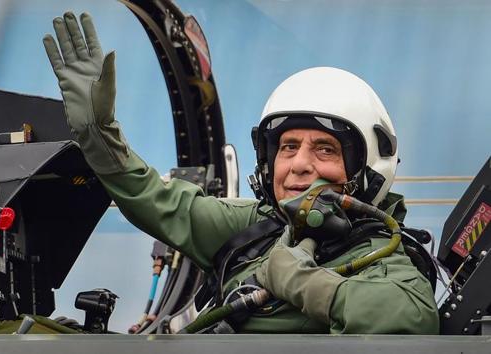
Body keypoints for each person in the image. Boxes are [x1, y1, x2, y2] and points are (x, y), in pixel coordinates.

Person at [42, 11, 439, 334]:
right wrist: (97, 131)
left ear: (366, 170)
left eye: (324, 149)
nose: (299, 163)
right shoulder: (258, 226)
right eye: (287, 147)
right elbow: (157, 201)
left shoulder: (382, 261)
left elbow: (409, 318)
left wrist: (301, 283)